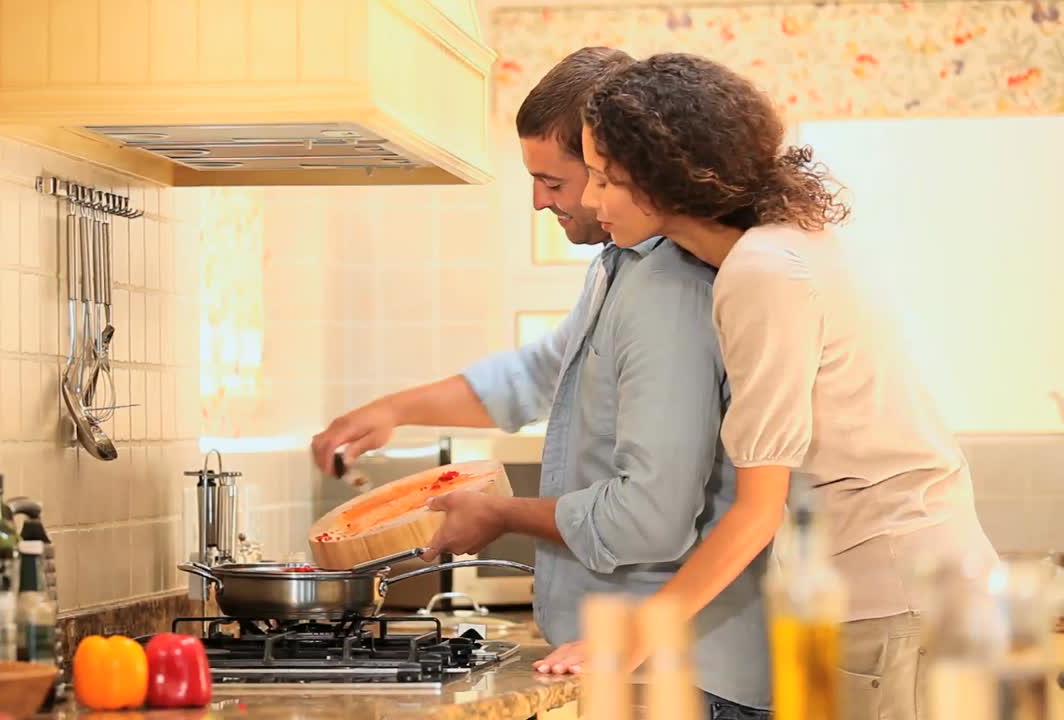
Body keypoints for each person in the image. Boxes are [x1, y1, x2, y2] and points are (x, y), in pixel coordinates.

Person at [311, 48, 773, 718]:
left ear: (617, 165)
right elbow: (536, 374)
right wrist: (393, 410)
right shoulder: (619, 269)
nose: (538, 201)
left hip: (688, 676)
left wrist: (501, 515)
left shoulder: (669, 291)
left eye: (554, 181)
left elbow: (650, 517)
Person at [578, 52, 996, 720]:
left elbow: (757, 510)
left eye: (604, 179)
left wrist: (629, 643)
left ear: (663, 178)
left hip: (889, 597)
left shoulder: (763, 272)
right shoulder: (791, 242)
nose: (588, 199)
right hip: (920, 583)